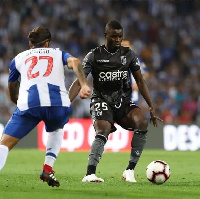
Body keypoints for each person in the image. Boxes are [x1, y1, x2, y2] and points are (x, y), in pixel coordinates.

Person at [69, 20, 162, 183]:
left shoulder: (129, 54)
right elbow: (79, 81)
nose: (118, 39)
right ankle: (90, 173)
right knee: (103, 129)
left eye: (120, 36)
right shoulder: (94, 55)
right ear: (106, 36)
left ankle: (130, 171)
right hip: (101, 99)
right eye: (114, 36)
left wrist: (151, 106)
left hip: (122, 101)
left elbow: (140, 80)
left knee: (142, 122)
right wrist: (65, 104)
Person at [0, 26, 91, 187]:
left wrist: (18, 103)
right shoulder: (58, 53)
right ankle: (47, 168)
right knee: (57, 129)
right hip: (58, 104)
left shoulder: (19, 58)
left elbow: (12, 88)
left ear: (30, 43)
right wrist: (83, 84)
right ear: (47, 43)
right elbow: (76, 61)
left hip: (30, 104)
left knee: (4, 144)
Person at [121, 38, 149, 104]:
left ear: (130, 47)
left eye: (126, 45)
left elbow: (146, 73)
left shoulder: (136, 60)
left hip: (132, 95)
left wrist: (138, 83)